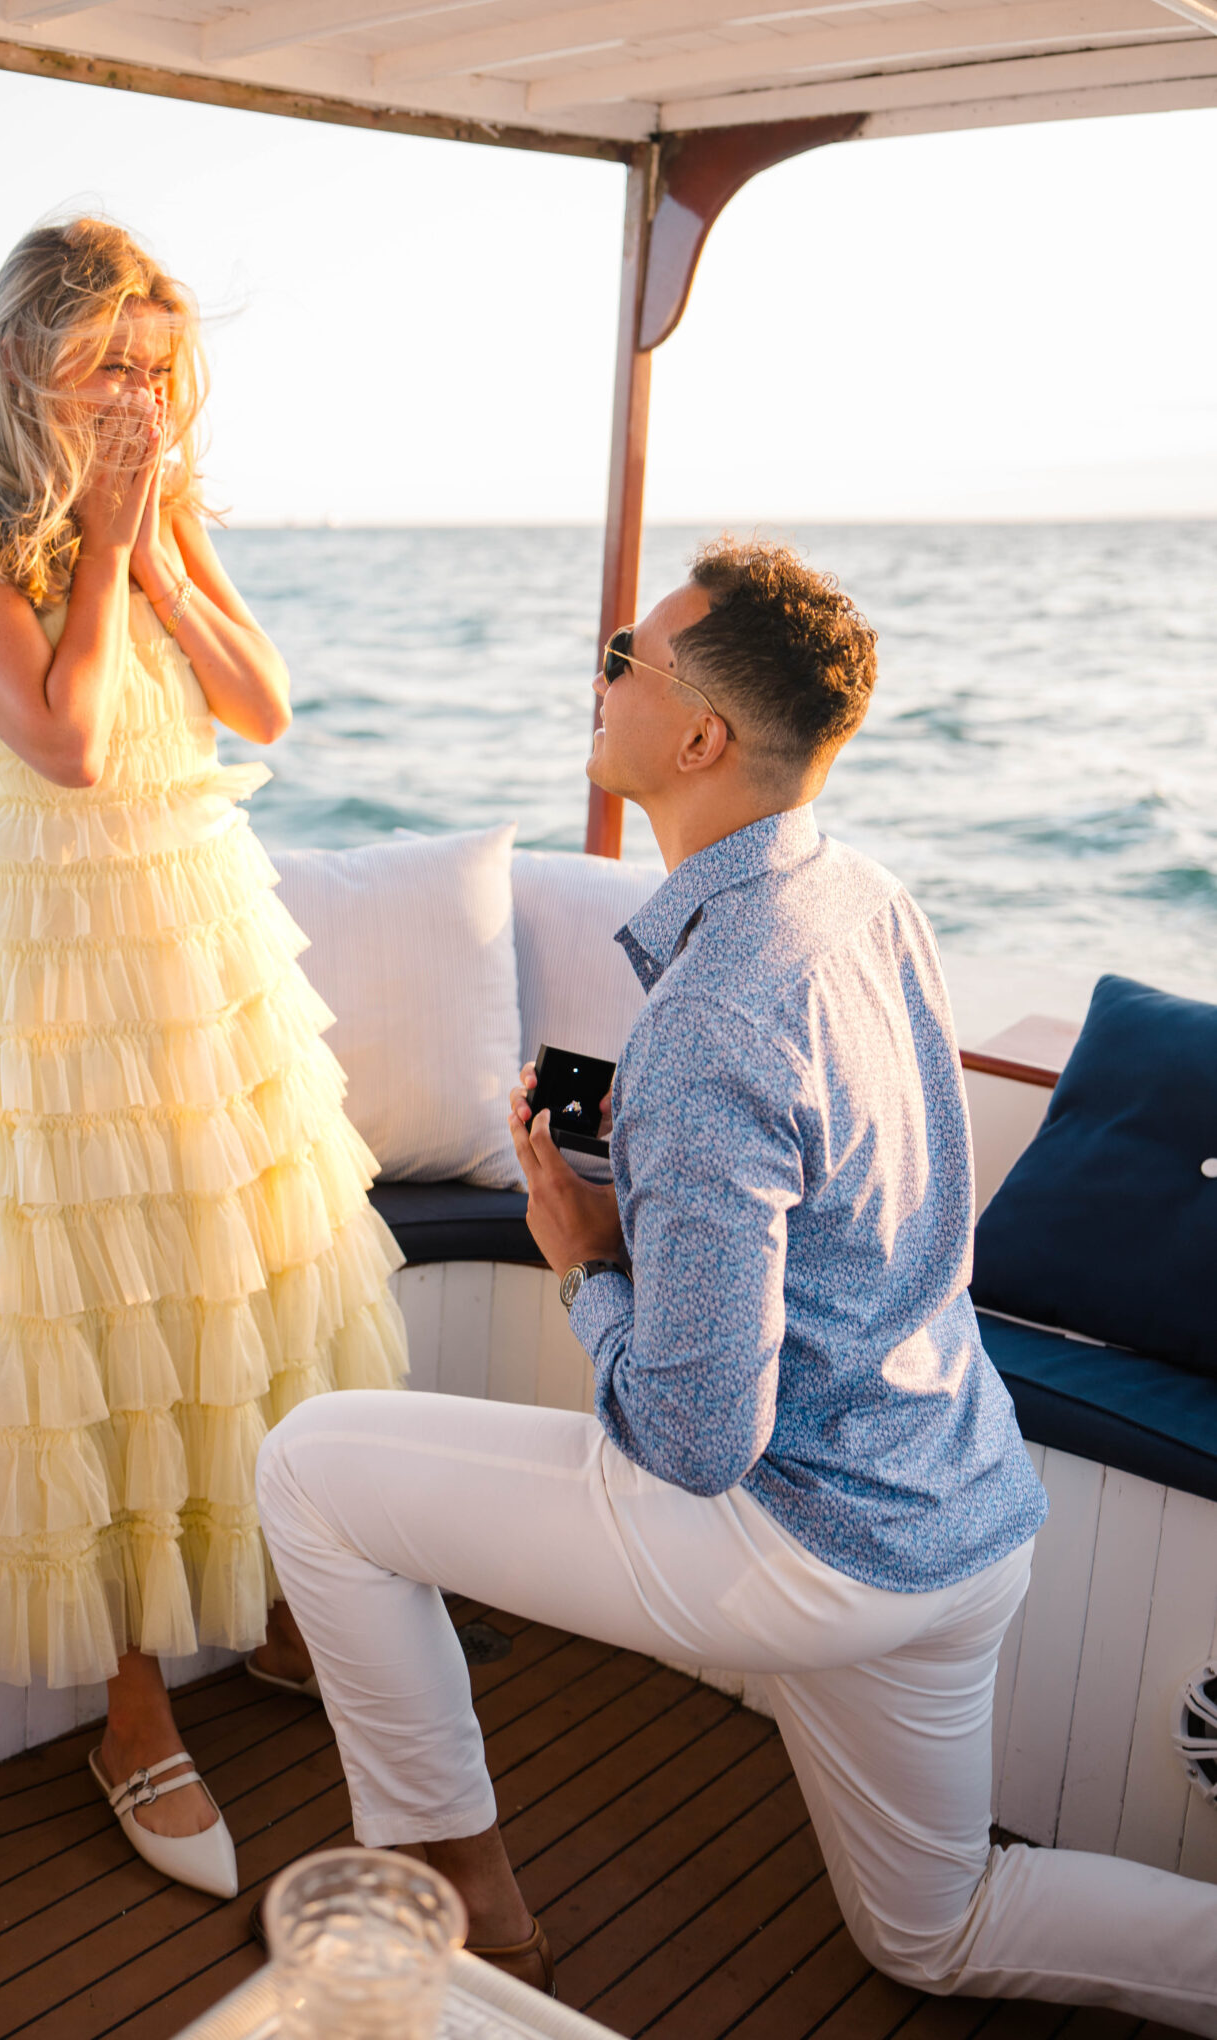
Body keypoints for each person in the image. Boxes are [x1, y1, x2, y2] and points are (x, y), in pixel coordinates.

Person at [256, 536, 1217, 2025]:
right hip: (960, 1516)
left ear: (699, 736)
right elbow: (862, 1210)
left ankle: (469, 1911)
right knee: (937, 1931)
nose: (600, 671)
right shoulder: (862, 894)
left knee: (311, 1467)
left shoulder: (712, 1014)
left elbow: (701, 1441)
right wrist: (665, 1227)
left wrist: (583, 1263)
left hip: (799, 1545)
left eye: (623, 657)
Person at [0, 214, 404, 1900]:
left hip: (208, 929)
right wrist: (108, 538)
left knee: (252, 1277)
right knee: (94, 1320)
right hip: (62, 957)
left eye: (158, 365)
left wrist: (164, 546)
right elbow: (61, 740)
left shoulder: (165, 512)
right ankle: (129, 1713)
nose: (137, 390)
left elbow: (263, 710)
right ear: (25, 357)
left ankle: (264, 1616)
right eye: (109, 356)